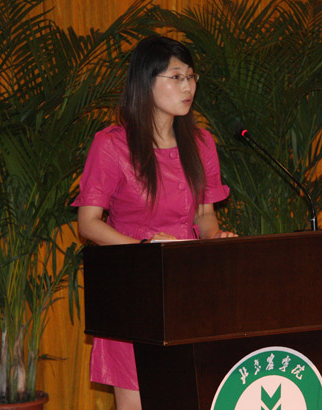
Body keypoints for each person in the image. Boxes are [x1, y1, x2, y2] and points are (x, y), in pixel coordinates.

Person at [72, 35, 236, 410]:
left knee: (190, 393)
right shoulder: (112, 145)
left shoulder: (202, 143)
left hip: (186, 282)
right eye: (176, 77)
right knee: (137, 398)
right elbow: (89, 223)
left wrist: (216, 237)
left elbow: (204, 215)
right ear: (146, 82)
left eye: (191, 77)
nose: (188, 86)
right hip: (134, 283)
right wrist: (146, 250)